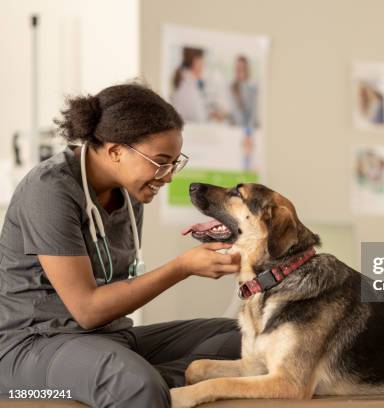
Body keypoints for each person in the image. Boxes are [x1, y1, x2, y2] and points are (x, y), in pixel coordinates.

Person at [0, 83, 242, 407]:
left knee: (242, 338)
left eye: (174, 162)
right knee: (136, 385)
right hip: (33, 345)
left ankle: (146, 382)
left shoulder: (129, 194)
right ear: (115, 151)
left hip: (109, 338)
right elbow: (87, 310)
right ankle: (140, 384)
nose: (168, 175)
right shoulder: (49, 191)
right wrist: (182, 267)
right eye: (160, 161)